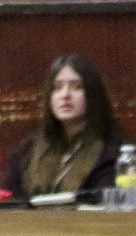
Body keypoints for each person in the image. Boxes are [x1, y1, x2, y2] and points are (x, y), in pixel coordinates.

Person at [2, 54, 120, 202]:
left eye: (76, 87)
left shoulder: (110, 152)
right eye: (57, 88)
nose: (65, 95)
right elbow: (9, 203)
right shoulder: (26, 152)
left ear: (92, 94)